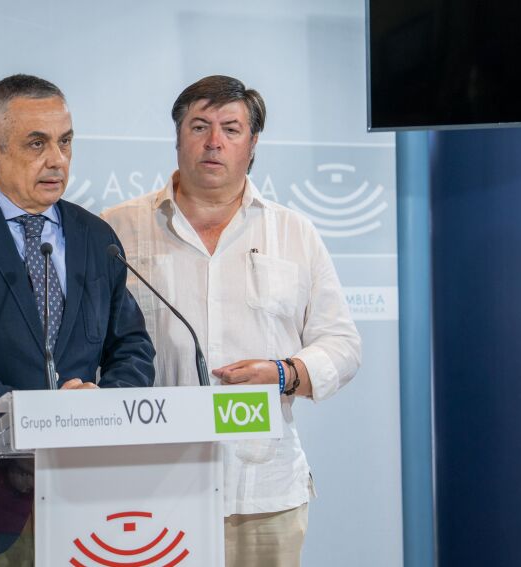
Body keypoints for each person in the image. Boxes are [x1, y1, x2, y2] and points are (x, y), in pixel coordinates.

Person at [101, 75, 362, 567]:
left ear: (253, 143)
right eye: (199, 126)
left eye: (231, 128)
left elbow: (342, 343)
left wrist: (285, 373)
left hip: (263, 493)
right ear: (178, 137)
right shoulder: (115, 229)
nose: (214, 141)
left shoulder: (294, 232)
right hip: (148, 487)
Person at [0, 74, 155, 564]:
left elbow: (132, 346)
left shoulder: (95, 235)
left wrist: (104, 406)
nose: (57, 159)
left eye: (65, 142)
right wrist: (32, 423)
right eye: (37, 143)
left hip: (80, 502)